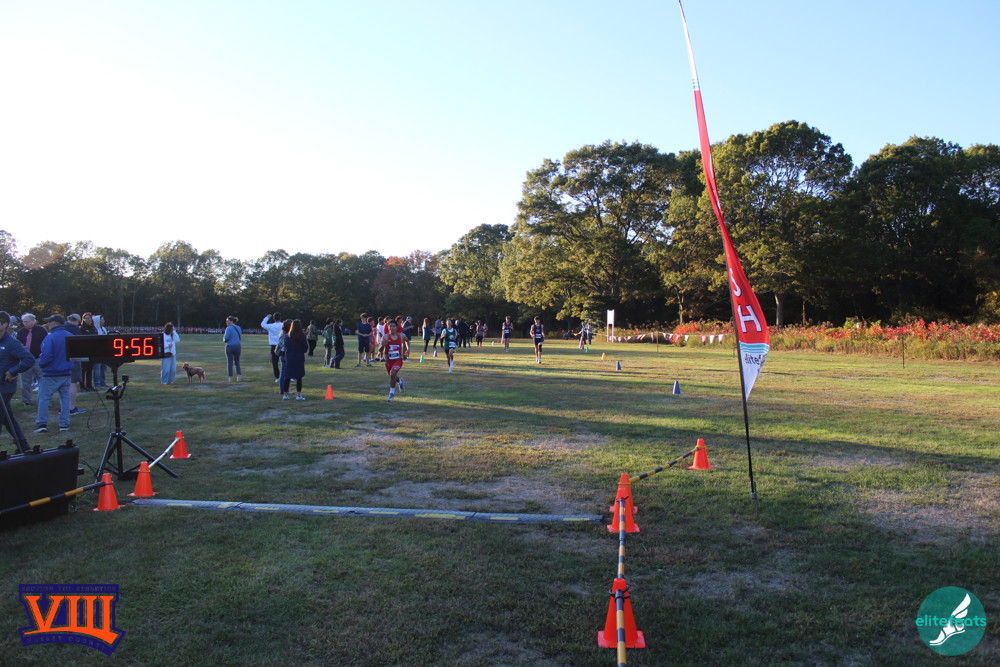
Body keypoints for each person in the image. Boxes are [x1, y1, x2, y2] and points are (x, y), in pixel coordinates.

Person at [0, 311, 34, 452]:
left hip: (4, 387)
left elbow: (29, 359)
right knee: (7, 418)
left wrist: (13, 371)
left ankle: (23, 446)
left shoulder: (11, 343)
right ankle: (23, 446)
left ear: (4, 324)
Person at [35, 314, 74, 433]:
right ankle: (64, 424)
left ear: (55, 323)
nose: (47, 324)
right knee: (65, 399)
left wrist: (41, 364)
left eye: (49, 322)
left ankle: (42, 424)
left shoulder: (50, 337)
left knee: (44, 399)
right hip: (66, 373)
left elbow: (46, 356)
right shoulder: (70, 336)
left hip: (51, 373)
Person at [16, 312, 46, 408]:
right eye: (23, 322)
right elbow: (17, 344)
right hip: (25, 360)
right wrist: (21, 347)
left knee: (43, 380)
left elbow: (46, 343)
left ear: (33, 321)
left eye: (27, 321)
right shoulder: (21, 332)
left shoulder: (41, 330)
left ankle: (43, 400)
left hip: (38, 358)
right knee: (25, 382)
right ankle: (26, 401)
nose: (24, 323)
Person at [378, 318, 409, 402]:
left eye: (393, 326)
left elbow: (407, 341)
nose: (392, 328)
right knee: (392, 375)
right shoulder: (385, 337)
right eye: (390, 326)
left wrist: (407, 350)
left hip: (398, 360)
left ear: (396, 327)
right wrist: (382, 346)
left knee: (392, 373)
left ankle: (391, 394)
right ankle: (400, 381)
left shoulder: (401, 336)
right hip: (388, 361)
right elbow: (379, 350)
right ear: (388, 328)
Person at [280, 319, 308, 400]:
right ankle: (298, 395)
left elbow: (285, 347)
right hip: (299, 357)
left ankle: (285, 394)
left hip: (289, 358)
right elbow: (305, 348)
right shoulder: (302, 336)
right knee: (299, 377)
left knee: (287, 376)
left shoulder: (287, 336)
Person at [261, 313, 284, 381]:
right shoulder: (283, 325)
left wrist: (267, 318)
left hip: (273, 345)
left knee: (275, 362)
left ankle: (277, 377)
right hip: (282, 345)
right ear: (280, 318)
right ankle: (286, 375)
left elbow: (262, 324)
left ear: (274, 318)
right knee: (284, 361)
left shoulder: (270, 326)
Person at [79, 312, 98, 391]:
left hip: (92, 351)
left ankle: (89, 385)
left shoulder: (94, 328)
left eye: (89, 318)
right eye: (85, 318)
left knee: (90, 369)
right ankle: (82, 386)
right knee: (83, 369)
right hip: (84, 351)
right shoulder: (81, 328)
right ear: (83, 319)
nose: (87, 319)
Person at [92, 315, 110, 388]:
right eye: (102, 320)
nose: (104, 321)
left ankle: (103, 382)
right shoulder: (95, 330)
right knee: (97, 369)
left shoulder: (103, 329)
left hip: (104, 352)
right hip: (97, 352)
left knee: (103, 368)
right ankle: (97, 383)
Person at [223, 316, 242, 381]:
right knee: (237, 362)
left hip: (230, 346)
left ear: (231, 321)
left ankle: (230, 377)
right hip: (238, 346)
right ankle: (239, 376)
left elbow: (226, 338)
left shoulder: (228, 328)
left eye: (227, 321)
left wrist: (224, 340)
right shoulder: (238, 327)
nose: (226, 322)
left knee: (230, 362)